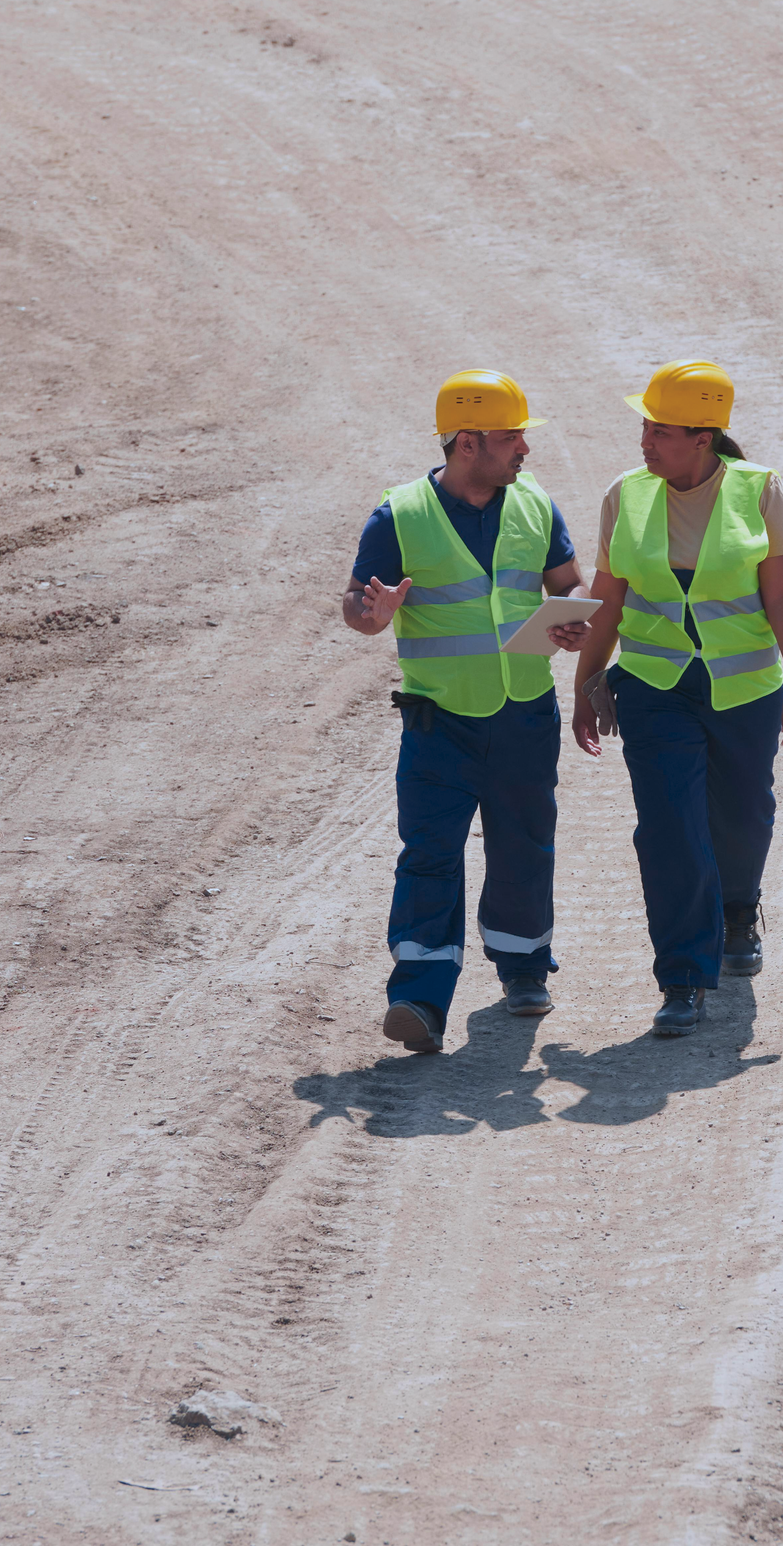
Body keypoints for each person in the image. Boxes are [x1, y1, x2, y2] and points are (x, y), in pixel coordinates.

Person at [342, 369, 590, 1055]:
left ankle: (524, 967)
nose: (524, 449)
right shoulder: (400, 515)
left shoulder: (536, 506)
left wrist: (574, 622)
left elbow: (569, 584)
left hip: (523, 716)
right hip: (439, 722)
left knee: (524, 846)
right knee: (429, 854)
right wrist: (373, 614)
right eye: (513, 437)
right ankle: (419, 997)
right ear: (468, 443)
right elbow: (355, 606)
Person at [568, 360, 783, 1037]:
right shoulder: (626, 495)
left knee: (743, 815)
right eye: (645, 426)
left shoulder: (759, 493)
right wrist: (587, 682)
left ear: (703, 438)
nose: (645, 440)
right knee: (669, 827)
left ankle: (739, 911)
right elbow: (609, 597)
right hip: (652, 688)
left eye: (662, 430)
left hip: (743, 690)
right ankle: (681, 977)